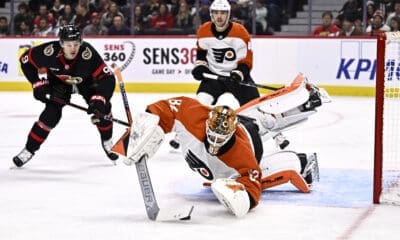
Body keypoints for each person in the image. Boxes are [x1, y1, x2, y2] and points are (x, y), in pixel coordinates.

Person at [115, 75, 324, 217]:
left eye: (220, 139)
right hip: (240, 122)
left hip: (250, 142)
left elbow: (252, 184)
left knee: (268, 122)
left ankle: (302, 153)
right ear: (207, 123)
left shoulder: (242, 156)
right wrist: (145, 130)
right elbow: (165, 108)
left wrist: (240, 198)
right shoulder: (192, 113)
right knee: (263, 119)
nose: (214, 143)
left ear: (229, 134)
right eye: (212, 136)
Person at [13, 24, 118, 167]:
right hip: (59, 83)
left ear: (81, 42)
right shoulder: (49, 52)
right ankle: (29, 149)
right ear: (61, 43)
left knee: (103, 110)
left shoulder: (88, 53)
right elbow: (25, 61)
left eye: (76, 44)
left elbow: (108, 78)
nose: (73, 48)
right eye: (68, 44)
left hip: (87, 82)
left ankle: (107, 141)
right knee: (51, 114)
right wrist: (36, 83)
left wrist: (99, 99)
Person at [169, 0, 260, 150]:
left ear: (228, 15)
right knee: (200, 103)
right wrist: (200, 67)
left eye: (223, 13)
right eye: (216, 13)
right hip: (214, 77)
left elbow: (247, 60)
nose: (219, 17)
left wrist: (239, 74)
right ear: (211, 14)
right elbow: (201, 55)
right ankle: (181, 136)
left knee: (254, 106)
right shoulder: (204, 30)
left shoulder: (240, 32)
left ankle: (270, 134)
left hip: (235, 77)